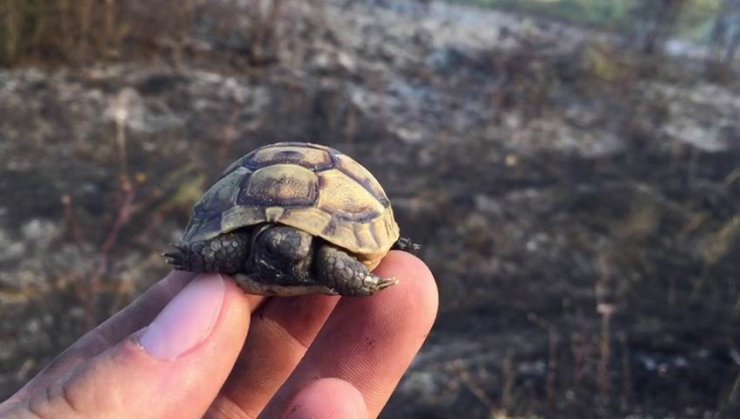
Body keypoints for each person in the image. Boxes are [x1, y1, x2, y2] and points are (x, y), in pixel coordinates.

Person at [0, 251, 438, 418]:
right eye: (272, 247)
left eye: (293, 249)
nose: (282, 256)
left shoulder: (323, 254)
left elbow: (335, 258)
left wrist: (361, 276)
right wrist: (202, 250)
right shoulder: (252, 248)